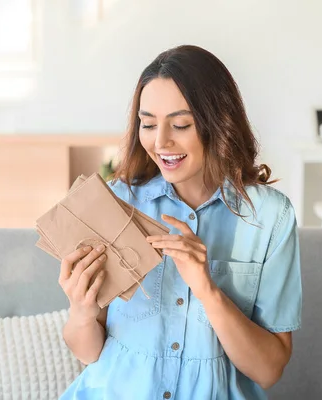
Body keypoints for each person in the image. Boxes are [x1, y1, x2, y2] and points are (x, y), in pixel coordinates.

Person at [58, 45, 302, 400]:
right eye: (148, 124)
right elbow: (88, 352)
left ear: (219, 122)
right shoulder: (117, 201)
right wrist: (81, 311)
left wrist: (206, 288)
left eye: (181, 124)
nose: (160, 143)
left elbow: (268, 371)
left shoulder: (269, 217)